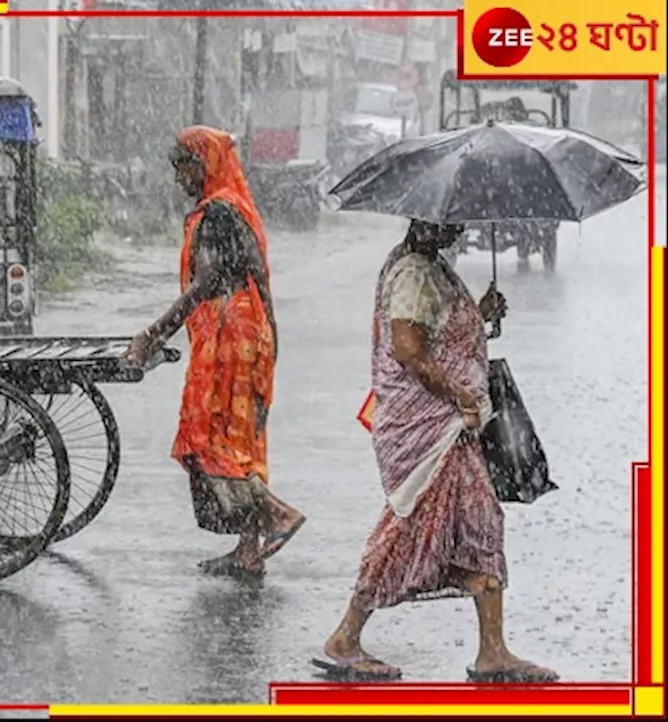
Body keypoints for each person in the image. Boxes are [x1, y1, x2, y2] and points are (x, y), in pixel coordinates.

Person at [315, 220, 558, 682]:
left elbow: (439, 334)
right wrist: (459, 394)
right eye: (452, 220)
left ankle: (493, 651)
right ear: (427, 219)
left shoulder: (431, 267)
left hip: (452, 430)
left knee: (479, 523)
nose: (460, 227)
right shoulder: (413, 272)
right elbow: (409, 349)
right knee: (411, 527)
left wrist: (480, 317)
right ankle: (346, 637)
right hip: (431, 429)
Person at [125, 126, 305, 580]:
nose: (179, 179)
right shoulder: (236, 209)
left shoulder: (217, 215)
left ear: (203, 165)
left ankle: (277, 516)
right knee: (239, 438)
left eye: (184, 168)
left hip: (229, 337)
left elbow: (204, 284)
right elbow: (259, 283)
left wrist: (153, 333)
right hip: (249, 333)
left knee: (209, 437)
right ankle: (248, 548)